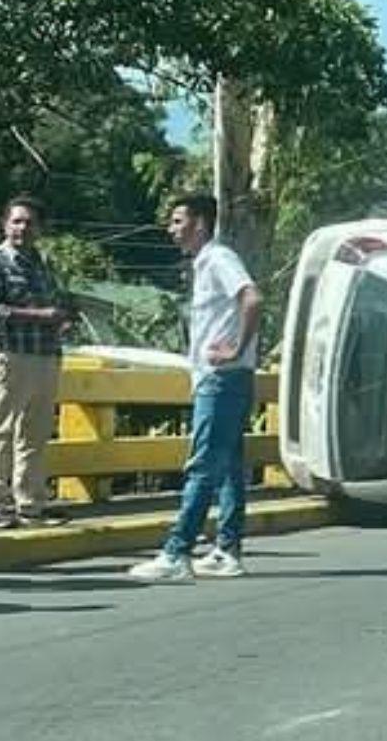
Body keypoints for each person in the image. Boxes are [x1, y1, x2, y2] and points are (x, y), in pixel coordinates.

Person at [130, 193, 261, 582]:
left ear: (200, 224)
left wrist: (236, 348)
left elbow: (252, 299)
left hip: (221, 380)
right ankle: (227, 549)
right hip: (228, 379)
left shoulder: (218, 258)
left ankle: (177, 552)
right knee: (229, 466)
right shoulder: (207, 263)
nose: (172, 230)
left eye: (177, 221)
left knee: (203, 464)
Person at [0, 196, 67, 530]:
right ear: (5, 224)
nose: (22, 228)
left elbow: (56, 302)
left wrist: (59, 319)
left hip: (46, 355)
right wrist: (39, 316)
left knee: (35, 433)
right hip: (10, 354)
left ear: (39, 228)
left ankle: (31, 504)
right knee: (0, 429)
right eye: (17, 221)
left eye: (29, 222)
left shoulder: (42, 263)